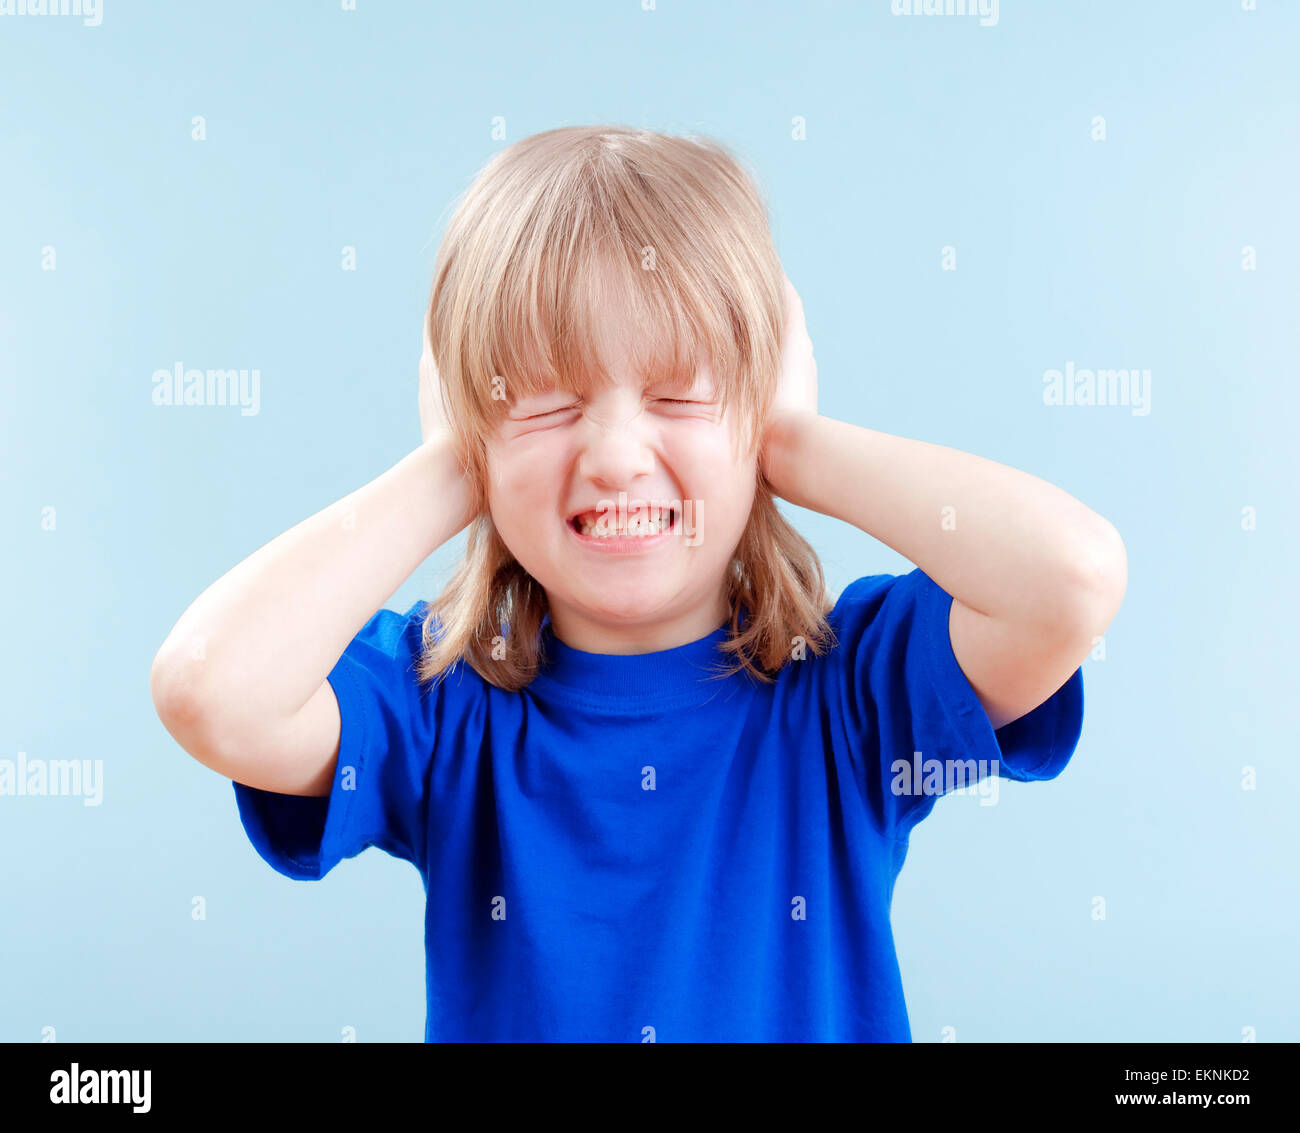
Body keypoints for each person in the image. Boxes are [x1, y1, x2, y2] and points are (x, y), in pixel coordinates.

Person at [149, 125, 1127, 1042]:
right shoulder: (436, 708)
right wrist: (457, 462)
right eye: (546, 402)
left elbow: (1070, 578)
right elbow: (210, 688)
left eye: (679, 395)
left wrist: (788, 441)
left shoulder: (852, 687)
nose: (615, 454)